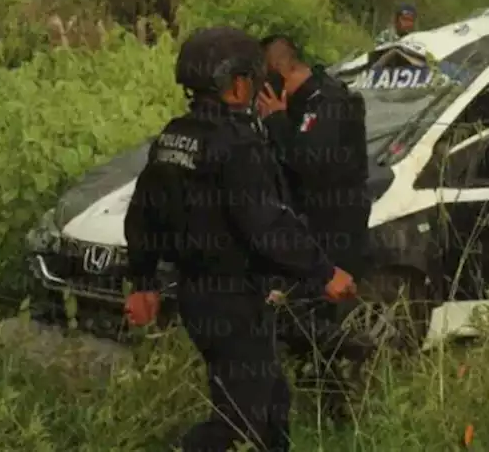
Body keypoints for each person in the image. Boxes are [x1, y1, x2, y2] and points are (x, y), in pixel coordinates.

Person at [123, 26, 357, 452]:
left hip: (199, 295)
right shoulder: (238, 144)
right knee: (241, 421)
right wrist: (323, 271)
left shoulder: (174, 136)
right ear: (238, 84)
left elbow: (143, 213)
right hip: (231, 299)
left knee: (271, 406)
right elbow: (266, 224)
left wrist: (143, 281)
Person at [257, 34, 372, 421]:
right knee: (301, 322)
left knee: (318, 323)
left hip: (335, 233)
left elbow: (310, 166)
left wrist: (275, 122)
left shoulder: (329, 103)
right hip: (309, 232)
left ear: (277, 73)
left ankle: (342, 405)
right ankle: (325, 403)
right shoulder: (303, 105)